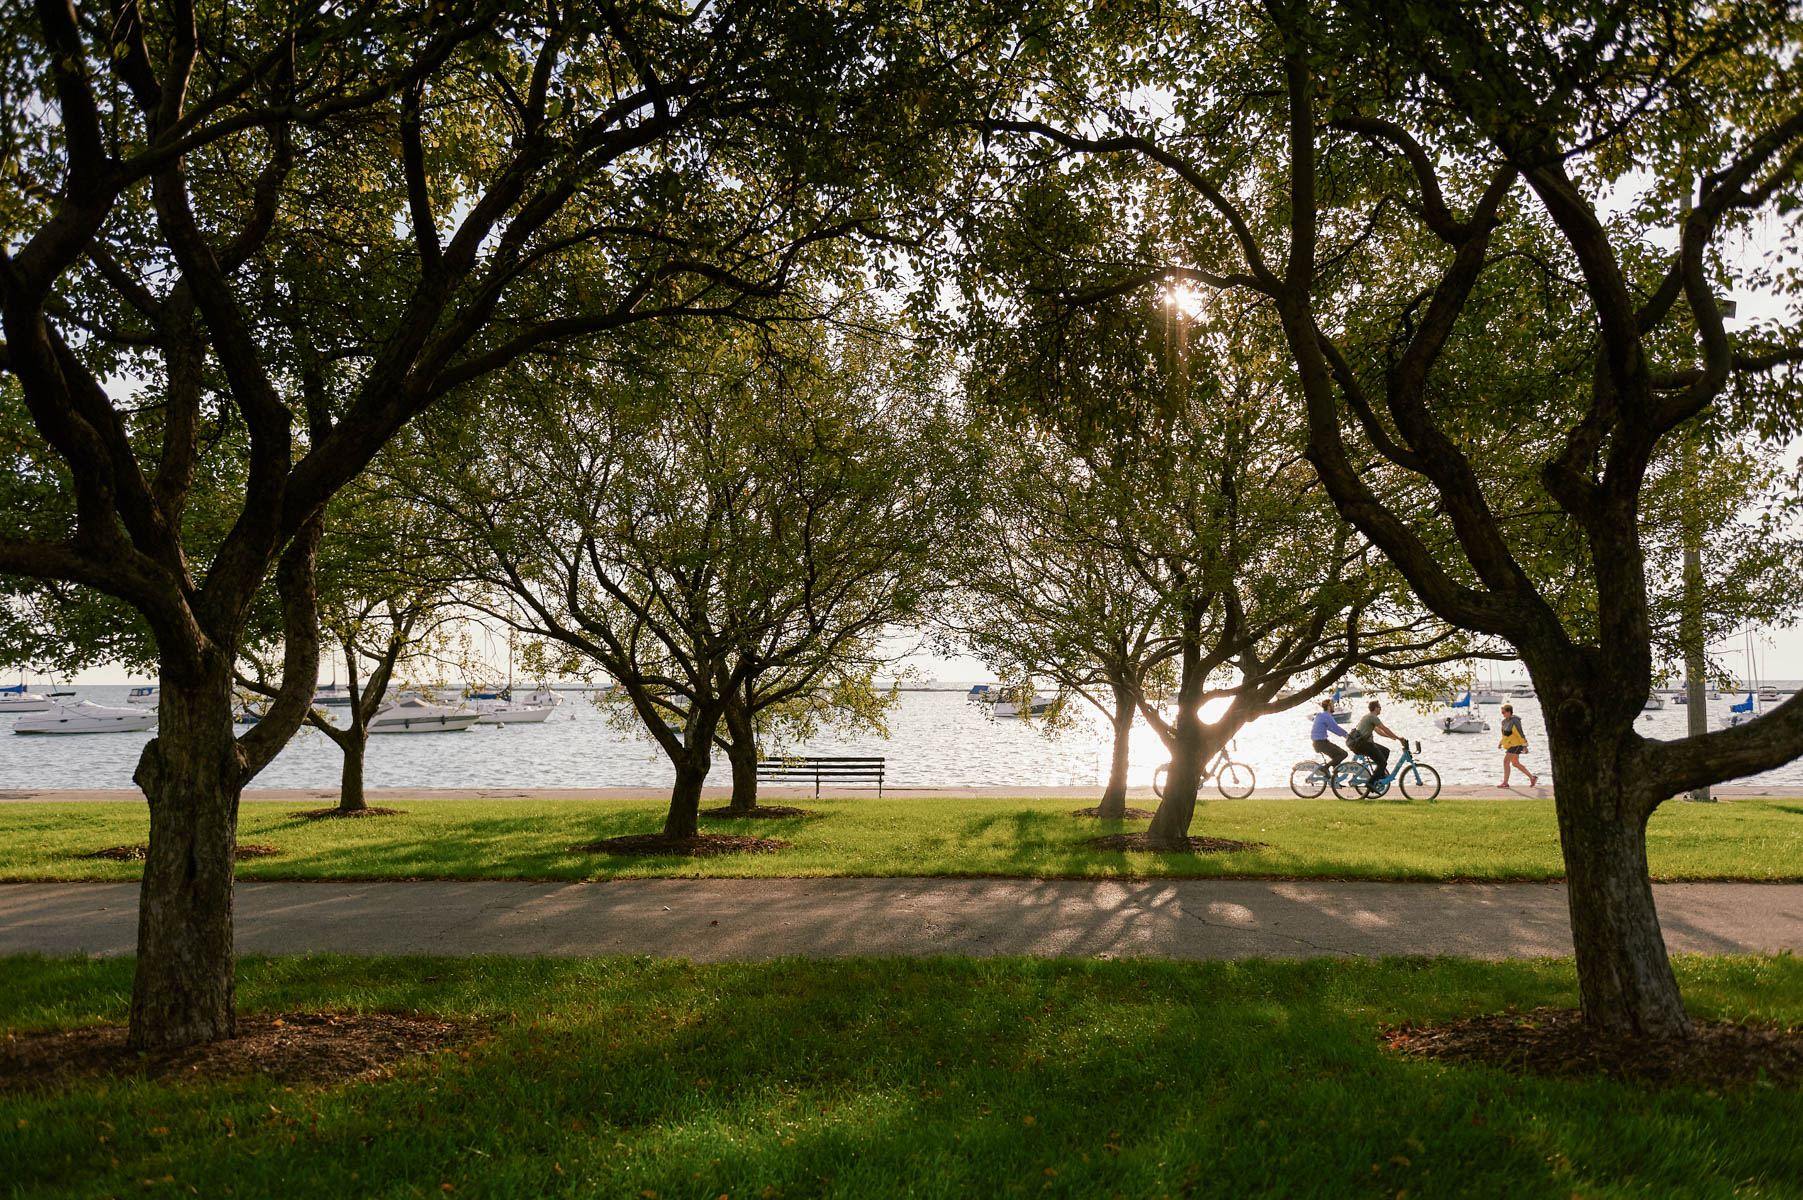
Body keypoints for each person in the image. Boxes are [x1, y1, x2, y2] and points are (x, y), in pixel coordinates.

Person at [1347, 699, 1401, 779]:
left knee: (1385, 751)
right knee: (1382, 762)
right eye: (1379, 707)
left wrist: (1391, 737)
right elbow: (1384, 728)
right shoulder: (1372, 717)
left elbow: (1379, 732)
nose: (1381, 709)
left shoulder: (1367, 717)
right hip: (1364, 745)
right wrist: (1398, 737)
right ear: (1375, 708)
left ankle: (1380, 772)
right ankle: (1372, 782)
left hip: (1361, 744)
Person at [1498, 703, 1538, 788]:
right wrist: (1501, 742)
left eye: (1504, 712)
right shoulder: (1504, 722)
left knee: (1506, 762)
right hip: (1510, 745)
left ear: (1509, 712)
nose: (1503, 714)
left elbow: (1520, 733)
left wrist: (1525, 746)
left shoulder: (1515, 721)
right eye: (1502, 712)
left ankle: (1505, 783)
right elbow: (1505, 735)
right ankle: (1532, 777)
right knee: (1515, 763)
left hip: (1516, 745)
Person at [1310, 698, 1350, 767]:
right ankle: (1325, 768)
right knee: (1343, 754)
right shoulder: (1327, 716)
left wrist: (1344, 735)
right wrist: (1347, 735)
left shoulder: (1320, 715)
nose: (1334, 707)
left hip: (1317, 743)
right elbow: (1336, 728)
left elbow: (1332, 729)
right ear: (1329, 707)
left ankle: (1333, 776)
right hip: (1322, 743)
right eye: (1333, 705)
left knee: (1336, 757)